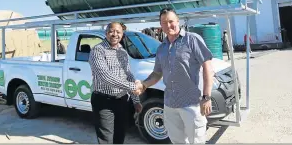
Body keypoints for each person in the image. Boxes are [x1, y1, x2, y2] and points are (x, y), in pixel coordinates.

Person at [135, 8, 214, 144]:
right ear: (161, 25)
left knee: (197, 141)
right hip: (170, 104)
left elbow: (207, 67)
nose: (168, 25)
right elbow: (157, 73)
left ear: (178, 21)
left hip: (192, 103)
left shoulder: (192, 40)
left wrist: (207, 97)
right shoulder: (161, 48)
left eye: (171, 21)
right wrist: (144, 85)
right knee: (177, 141)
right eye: (164, 22)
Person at [88, 22, 142, 144]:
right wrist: (134, 86)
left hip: (122, 101)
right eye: (112, 31)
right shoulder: (97, 50)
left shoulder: (122, 51)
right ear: (106, 33)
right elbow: (105, 77)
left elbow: (128, 75)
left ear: (122, 35)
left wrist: (136, 100)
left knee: (120, 136)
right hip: (103, 102)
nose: (115, 34)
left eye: (118, 32)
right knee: (106, 139)